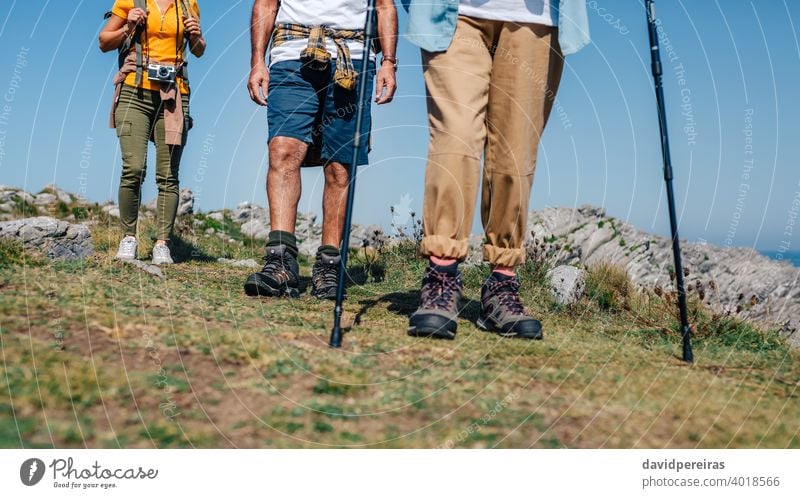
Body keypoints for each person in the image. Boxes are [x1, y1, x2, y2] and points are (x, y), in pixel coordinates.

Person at [403, 0, 590, 340]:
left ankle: (501, 284)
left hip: (534, 18)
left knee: (515, 154)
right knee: (455, 137)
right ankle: (441, 276)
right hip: (454, 13)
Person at [243, 0, 398, 299]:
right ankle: (280, 261)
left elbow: (385, 6)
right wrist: (257, 61)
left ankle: (329, 265)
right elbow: (266, 3)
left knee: (340, 165)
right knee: (283, 150)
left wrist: (389, 62)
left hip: (352, 59)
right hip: (291, 54)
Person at [100, 0, 206, 265]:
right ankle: (129, 237)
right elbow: (103, 42)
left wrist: (196, 36)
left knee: (168, 175)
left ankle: (162, 243)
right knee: (133, 168)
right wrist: (129, 27)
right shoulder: (129, 2)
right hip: (134, 92)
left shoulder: (187, 4)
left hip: (174, 94)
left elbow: (199, 51)